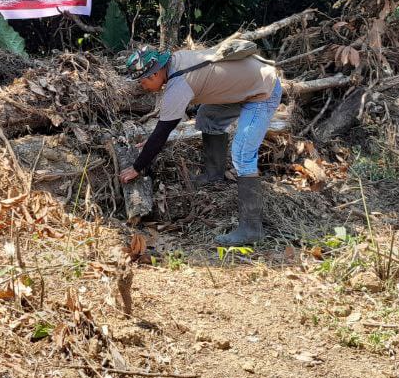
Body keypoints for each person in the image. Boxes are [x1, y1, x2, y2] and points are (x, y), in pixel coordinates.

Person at [118, 46, 284, 245]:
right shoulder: (176, 63)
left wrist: (137, 167)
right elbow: (165, 126)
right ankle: (214, 176)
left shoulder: (178, 83)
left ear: (154, 74)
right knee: (208, 117)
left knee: (242, 154)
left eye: (142, 80)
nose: (142, 85)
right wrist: (154, 139)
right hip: (247, 85)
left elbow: (163, 130)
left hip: (263, 89)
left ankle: (251, 229)